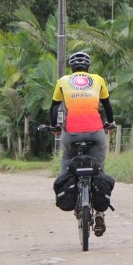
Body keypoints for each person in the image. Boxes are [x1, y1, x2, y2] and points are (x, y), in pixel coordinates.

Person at [50, 50, 115, 236]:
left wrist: (55, 126)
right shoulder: (98, 79)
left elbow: (54, 107)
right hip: (96, 131)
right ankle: (100, 212)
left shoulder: (63, 81)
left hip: (71, 132)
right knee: (99, 169)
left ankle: (66, 181)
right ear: (88, 67)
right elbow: (107, 105)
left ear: (71, 68)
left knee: (67, 156)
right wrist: (110, 123)